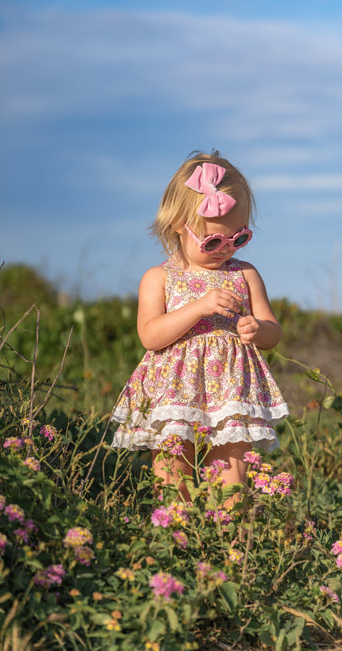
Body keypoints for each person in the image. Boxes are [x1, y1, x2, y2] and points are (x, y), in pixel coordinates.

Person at [110, 150, 288, 498]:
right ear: (179, 225)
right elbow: (150, 335)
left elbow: (272, 330)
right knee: (173, 485)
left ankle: (231, 549)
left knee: (231, 486)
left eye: (238, 238)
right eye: (212, 241)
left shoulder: (245, 274)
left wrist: (257, 328)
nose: (226, 249)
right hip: (174, 394)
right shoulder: (159, 278)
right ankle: (176, 547)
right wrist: (198, 308)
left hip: (230, 393)